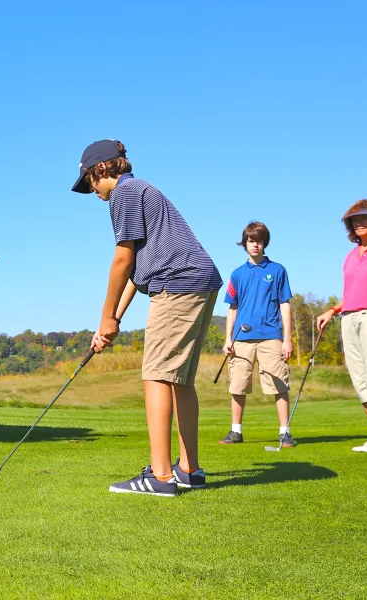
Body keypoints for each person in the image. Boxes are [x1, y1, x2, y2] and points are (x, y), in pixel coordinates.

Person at [72, 139, 222, 497]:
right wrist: (114, 320)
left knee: (156, 374)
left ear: (102, 170)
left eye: (90, 183)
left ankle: (160, 476)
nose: (93, 192)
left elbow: (122, 260)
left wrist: (105, 315)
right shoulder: (142, 189)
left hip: (177, 284)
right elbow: (138, 275)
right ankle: (188, 469)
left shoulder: (125, 193)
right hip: (198, 281)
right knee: (180, 379)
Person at [219, 222, 294, 446]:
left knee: (279, 384)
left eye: (259, 241)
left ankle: (284, 432)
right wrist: (227, 338)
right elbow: (232, 308)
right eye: (251, 241)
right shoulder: (237, 274)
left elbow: (285, 304)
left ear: (264, 244)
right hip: (241, 340)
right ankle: (236, 432)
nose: (255, 245)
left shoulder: (277, 270)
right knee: (238, 385)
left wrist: (287, 338)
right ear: (245, 243)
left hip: (271, 336)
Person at [316, 199, 367, 453]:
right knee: (361, 380)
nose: (358, 222)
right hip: (349, 318)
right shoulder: (351, 256)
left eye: (364, 217)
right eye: (354, 219)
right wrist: (332, 310)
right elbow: (353, 292)